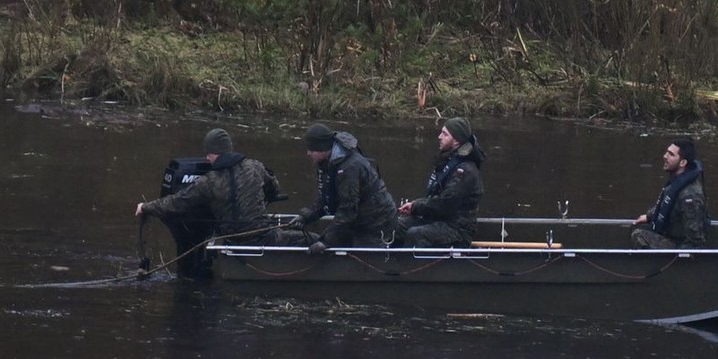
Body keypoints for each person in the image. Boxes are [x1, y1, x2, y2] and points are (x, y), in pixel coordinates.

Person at [134, 128, 283, 242]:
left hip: (234, 239)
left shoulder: (209, 181)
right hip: (263, 234)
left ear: (216, 153)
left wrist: (146, 207)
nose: (207, 158)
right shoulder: (255, 166)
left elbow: (176, 202)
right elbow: (274, 188)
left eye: (208, 154)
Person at [287, 122, 399, 252]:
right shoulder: (327, 164)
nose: (308, 153)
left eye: (312, 150)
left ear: (323, 148)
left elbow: (348, 210)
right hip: (359, 220)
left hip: (376, 223)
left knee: (362, 257)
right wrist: (306, 216)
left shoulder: (349, 168)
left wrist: (325, 242)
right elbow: (326, 199)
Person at [397, 117, 486, 247]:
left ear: (456, 140)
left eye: (445, 134)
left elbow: (446, 203)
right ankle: (391, 263)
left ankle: (413, 266)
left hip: (457, 229)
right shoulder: (448, 161)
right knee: (397, 225)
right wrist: (415, 204)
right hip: (440, 220)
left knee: (416, 234)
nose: (439, 137)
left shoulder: (465, 171)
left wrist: (416, 207)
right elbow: (437, 197)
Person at [630, 137, 708, 249]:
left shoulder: (690, 197)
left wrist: (679, 259)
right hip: (671, 236)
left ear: (683, 162)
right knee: (636, 228)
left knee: (639, 235)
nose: (665, 156)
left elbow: (695, 241)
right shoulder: (676, 182)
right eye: (666, 152)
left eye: (671, 154)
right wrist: (650, 216)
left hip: (680, 249)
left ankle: (649, 266)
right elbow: (669, 206)